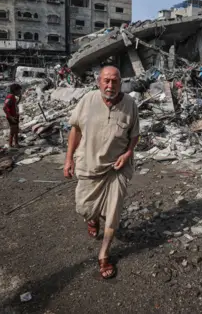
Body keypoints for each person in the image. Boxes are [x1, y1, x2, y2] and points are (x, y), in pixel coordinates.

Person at [63, 66, 140, 279]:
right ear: (99, 82)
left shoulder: (130, 104)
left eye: (114, 81)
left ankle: (104, 253)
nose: (110, 85)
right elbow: (75, 130)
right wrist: (68, 159)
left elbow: (134, 135)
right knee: (84, 207)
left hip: (117, 167)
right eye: (106, 81)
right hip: (89, 165)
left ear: (120, 82)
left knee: (113, 212)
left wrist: (128, 153)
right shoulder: (87, 100)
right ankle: (92, 218)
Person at [3, 83, 22, 148]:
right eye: (19, 90)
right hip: (12, 116)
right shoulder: (10, 96)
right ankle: (10, 145)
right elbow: (5, 108)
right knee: (13, 130)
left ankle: (16, 143)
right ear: (15, 90)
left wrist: (19, 99)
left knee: (16, 130)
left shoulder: (13, 97)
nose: (19, 92)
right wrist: (10, 117)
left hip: (15, 115)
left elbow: (14, 105)